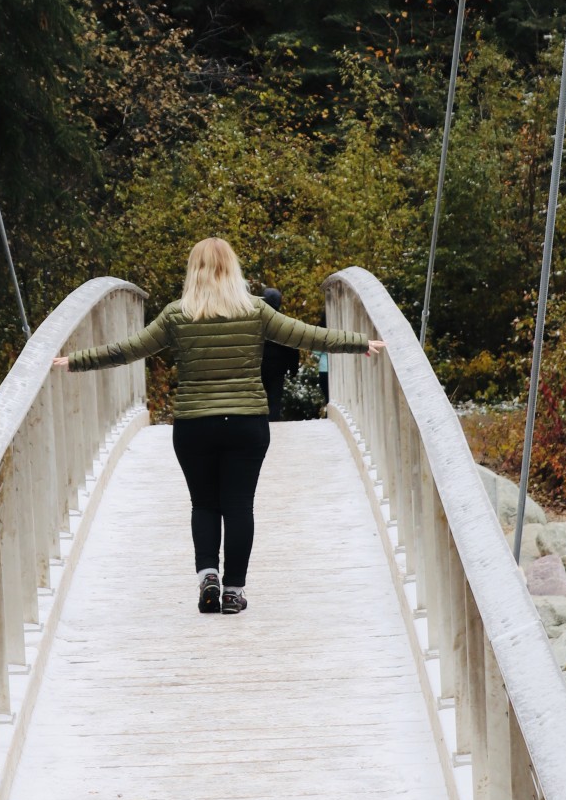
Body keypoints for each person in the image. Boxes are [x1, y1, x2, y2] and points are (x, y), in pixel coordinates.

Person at [52, 238, 383, 613]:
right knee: (239, 506)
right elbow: (307, 335)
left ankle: (208, 576)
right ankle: (233, 591)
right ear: (233, 269)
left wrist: (75, 360)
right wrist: (359, 343)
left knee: (204, 504)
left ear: (193, 271)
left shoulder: (176, 315)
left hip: (195, 425)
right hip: (246, 423)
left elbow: (127, 350)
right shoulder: (256, 311)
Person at [258, 287, 298, 422]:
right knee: (275, 400)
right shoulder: (284, 322)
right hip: (278, 369)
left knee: (260, 399)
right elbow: (292, 347)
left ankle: (262, 424)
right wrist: (293, 368)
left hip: (259, 367)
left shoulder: (256, 322)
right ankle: (273, 425)